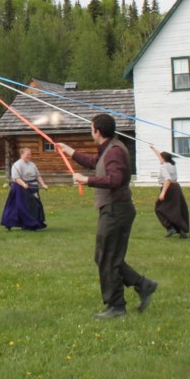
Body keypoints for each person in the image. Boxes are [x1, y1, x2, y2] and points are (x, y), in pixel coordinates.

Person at [58, 113, 158, 319]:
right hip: (114, 209)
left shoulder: (114, 151)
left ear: (98, 131)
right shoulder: (110, 149)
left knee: (107, 258)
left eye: (91, 129)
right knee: (106, 256)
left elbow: (115, 179)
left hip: (116, 210)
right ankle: (143, 285)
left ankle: (117, 306)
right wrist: (70, 152)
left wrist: (86, 179)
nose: (91, 132)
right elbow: (95, 161)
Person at [0, 147, 49, 231]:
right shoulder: (17, 165)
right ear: (22, 154)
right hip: (20, 188)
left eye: (30, 154)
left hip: (33, 187)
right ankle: (27, 224)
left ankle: (34, 223)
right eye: (27, 154)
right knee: (21, 207)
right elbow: (16, 178)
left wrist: (43, 184)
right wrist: (23, 184)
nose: (29, 156)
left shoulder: (32, 164)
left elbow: (38, 176)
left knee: (35, 206)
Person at [151, 145, 190, 239]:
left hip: (169, 188)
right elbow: (160, 156)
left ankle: (170, 227)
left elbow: (167, 180)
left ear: (163, 159)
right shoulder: (172, 165)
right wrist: (153, 148)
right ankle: (181, 230)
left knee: (159, 208)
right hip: (176, 188)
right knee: (176, 209)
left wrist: (163, 193)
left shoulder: (163, 167)